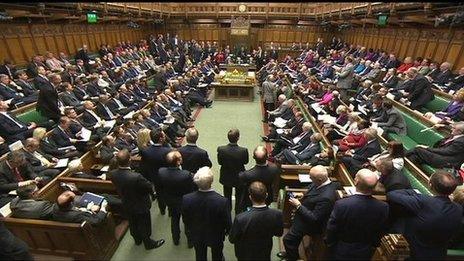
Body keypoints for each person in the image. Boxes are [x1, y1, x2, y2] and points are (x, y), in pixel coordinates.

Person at [387, 171, 462, 260]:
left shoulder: (423, 201)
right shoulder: (458, 209)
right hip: (439, 255)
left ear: (430, 185)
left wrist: (413, 191)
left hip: (414, 253)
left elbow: (392, 195)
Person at [279, 165, 341, 261]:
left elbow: (315, 218)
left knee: (288, 239)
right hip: (304, 214)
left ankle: (293, 257)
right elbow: (311, 187)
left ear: (319, 179)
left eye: (311, 177)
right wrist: (302, 194)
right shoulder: (321, 182)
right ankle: (290, 252)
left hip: (310, 224)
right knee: (293, 240)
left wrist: (298, 206)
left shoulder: (327, 197)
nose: (310, 179)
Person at [325, 169, 389, 260]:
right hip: (366, 250)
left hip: (342, 249)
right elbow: (380, 230)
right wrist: (373, 246)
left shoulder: (342, 204)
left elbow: (332, 228)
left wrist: (330, 244)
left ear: (356, 181)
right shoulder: (383, 207)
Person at [110, 149, 165, 250]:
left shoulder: (113, 173)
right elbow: (148, 186)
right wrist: (152, 194)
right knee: (144, 224)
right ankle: (148, 243)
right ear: (129, 160)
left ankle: (137, 240)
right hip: (140, 204)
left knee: (133, 222)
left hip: (126, 202)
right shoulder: (136, 177)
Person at [182, 167, 231, 260]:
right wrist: (228, 231)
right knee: (217, 254)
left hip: (197, 233)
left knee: (200, 255)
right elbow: (226, 221)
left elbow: (186, 218)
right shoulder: (221, 201)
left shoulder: (187, 199)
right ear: (211, 181)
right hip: (216, 234)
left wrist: (190, 229)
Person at [229, 181, 283, 261]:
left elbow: (232, 239)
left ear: (250, 197)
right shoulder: (277, 214)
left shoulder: (240, 218)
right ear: (266, 195)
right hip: (265, 251)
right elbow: (279, 233)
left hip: (245, 254)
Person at [158, 151, 194, 246]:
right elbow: (191, 189)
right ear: (178, 162)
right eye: (180, 158)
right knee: (188, 222)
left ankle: (176, 240)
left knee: (174, 220)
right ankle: (190, 242)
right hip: (184, 202)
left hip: (170, 201)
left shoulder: (161, 171)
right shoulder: (186, 174)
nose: (182, 158)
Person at [238, 146, 281, 213]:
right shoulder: (274, 169)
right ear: (267, 157)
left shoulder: (246, 175)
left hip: (252, 199)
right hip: (267, 197)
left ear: (253, 157)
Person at [140, 128, 172, 215]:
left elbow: (145, 164)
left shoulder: (145, 151)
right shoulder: (167, 151)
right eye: (163, 135)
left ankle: (162, 209)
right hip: (166, 176)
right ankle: (170, 210)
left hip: (154, 176)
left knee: (159, 193)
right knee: (169, 193)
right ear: (161, 139)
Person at [217, 128, 249, 214]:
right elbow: (246, 162)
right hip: (239, 177)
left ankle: (227, 212)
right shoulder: (243, 150)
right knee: (239, 197)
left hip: (226, 176)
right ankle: (237, 212)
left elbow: (220, 162)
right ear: (238, 138)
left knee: (227, 196)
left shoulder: (221, 149)